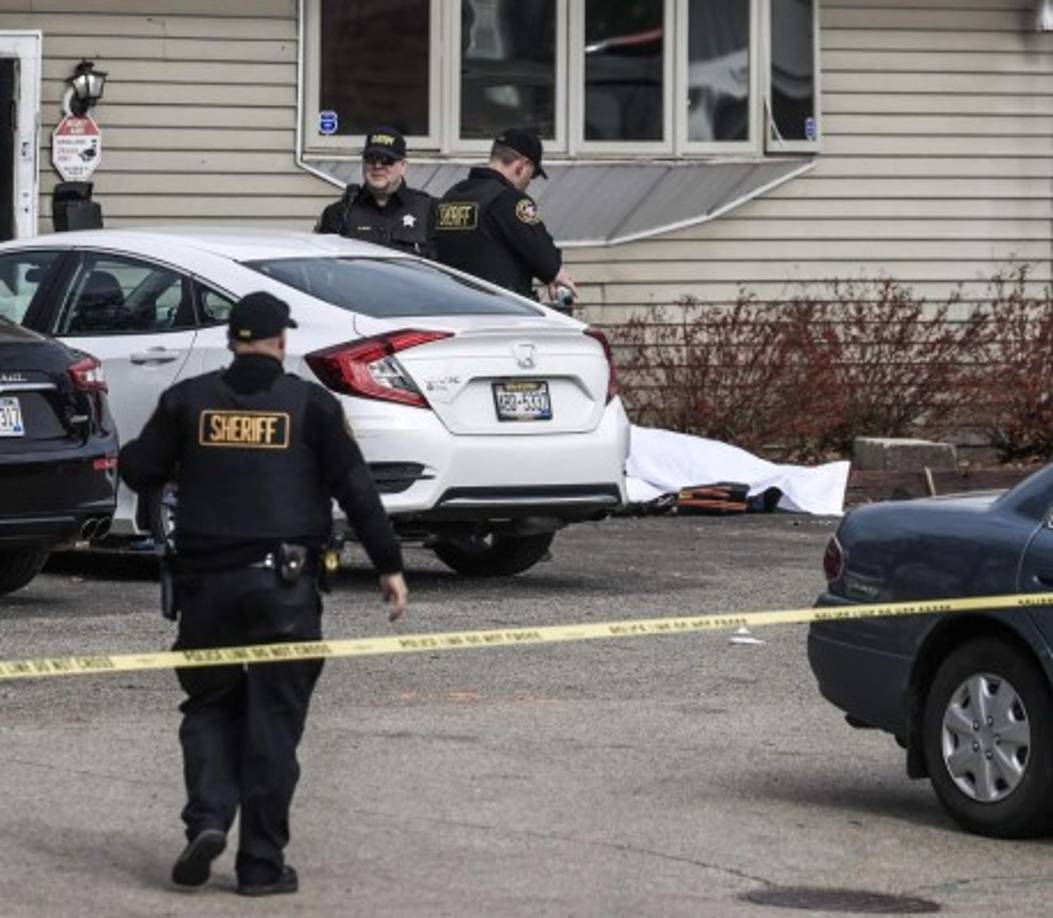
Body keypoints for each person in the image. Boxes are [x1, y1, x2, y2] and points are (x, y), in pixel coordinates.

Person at [119, 290, 409, 897]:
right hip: (286, 587)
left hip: (206, 590)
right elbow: (357, 491)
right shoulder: (312, 406)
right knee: (273, 725)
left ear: (232, 340)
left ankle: (207, 819)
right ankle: (260, 866)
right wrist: (389, 566)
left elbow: (139, 469)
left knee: (208, 708)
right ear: (281, 342)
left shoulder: (187, 401)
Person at [435, 127, 578, 305]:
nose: (528, 183)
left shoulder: (452, 195)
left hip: (450, 308)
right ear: (522, 166)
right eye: (531, 175)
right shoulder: (508, 200)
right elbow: (545, 257)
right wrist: (554, 273)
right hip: (498, 311)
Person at [315, 125, 437, 258]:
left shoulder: (428, 210)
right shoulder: (340, 213)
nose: (378, 166)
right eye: (371, 159)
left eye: (387, 160)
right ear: (363, 163)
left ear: (403, 167)